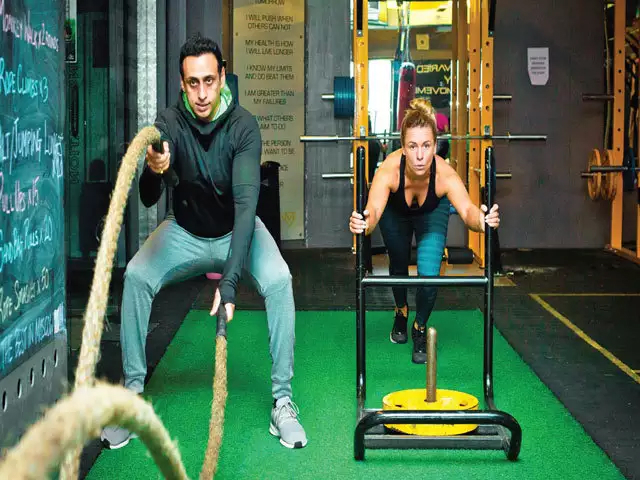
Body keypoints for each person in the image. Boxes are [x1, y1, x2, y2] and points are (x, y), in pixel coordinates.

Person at [100, 33, 307, 450]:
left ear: (222, 76)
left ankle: (282, 402)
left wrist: (229, 283)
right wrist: (155, 168)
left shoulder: (243, 126)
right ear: (182, 83)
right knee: (137, 276)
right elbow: (147, 197)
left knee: (280, 281)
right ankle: (134, 393)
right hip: (184, 232)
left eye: (209, 81)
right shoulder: (169, 122)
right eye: (193, 83)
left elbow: (247, 206)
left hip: (237, 230)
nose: (201, 93)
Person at [349, 98, 500, 364]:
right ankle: (401, 311)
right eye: (413, 146)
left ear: (435, 145)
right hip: (395, 212)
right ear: (403, 148)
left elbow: (468, 211)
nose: (420, 155)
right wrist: (363, 222)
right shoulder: (389, 171)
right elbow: (372, 211)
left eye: (426, 146)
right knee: (398, 262)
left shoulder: (444, 174)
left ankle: (419, 326)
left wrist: (484, 220)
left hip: (432, 212)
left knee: (429, 275)